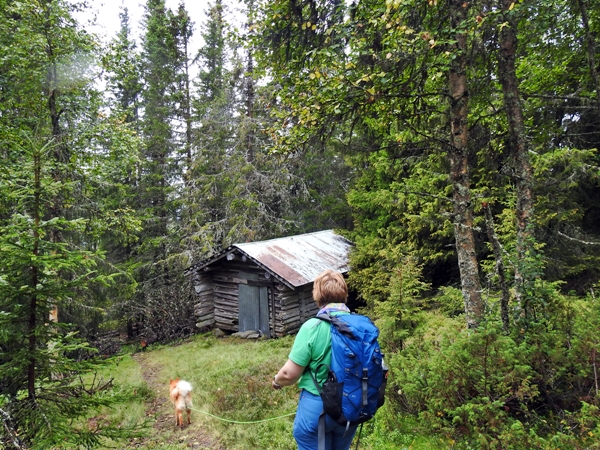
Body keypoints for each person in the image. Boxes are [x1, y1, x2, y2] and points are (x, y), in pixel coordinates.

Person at [272, 269, 358, 450]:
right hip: (351, 406)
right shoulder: (360, 326)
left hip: (318, 408)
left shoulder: (313, 327)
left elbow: (289, 374)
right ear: (344, 293)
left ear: (317, 295)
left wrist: (276, 381)